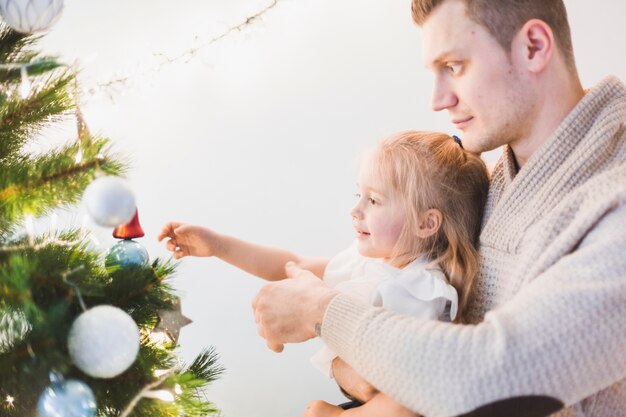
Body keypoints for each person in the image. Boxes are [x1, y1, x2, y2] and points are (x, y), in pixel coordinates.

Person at [250, 1, 626, 416]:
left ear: (533, 47)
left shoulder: (613, 204)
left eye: (455, 66)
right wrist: (350, 370)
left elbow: (493, 379)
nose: (438, 99)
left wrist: (320, 312)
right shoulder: (501, 175)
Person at [158, 131, 490, 417]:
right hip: (362, 391)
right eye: (358, 195)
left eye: (374, 200)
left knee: (401, 406)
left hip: (400, 401)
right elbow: (291, 264)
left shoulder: (422, 289)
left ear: (426, 223)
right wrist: (219, 246)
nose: (355, 209)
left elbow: (405, 380)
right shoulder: (366, 262)